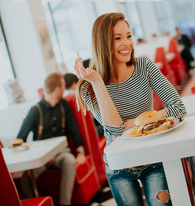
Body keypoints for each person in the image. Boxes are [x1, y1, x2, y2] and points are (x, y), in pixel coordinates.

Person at [74, 13, 186, 206]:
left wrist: (140, 122)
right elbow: (117, 131)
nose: (127, 43)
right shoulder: (88, 86)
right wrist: (98, 82)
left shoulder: (145, 66)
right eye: (118, 38)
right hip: (119, 166)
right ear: (102, 43)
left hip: (153, 158)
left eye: (128, 35)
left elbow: (178, 107)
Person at [16, 72, 86, 206]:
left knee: (69, 161)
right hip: (41, 158)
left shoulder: (64, 105)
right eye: (63, 86)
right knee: (25, 178)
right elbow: (20, 138)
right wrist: (37, 156)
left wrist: (81, 152)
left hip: (61, 154)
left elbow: (74, 129)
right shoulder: (35, 111)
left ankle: (64, 204)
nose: (64, 90)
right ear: (58, 89)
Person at [64, 72, 104, 137]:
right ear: (74, 84)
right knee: (108, 126)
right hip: (89, 129)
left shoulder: (66, 98)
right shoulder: (78, 94)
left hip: (81, 129)